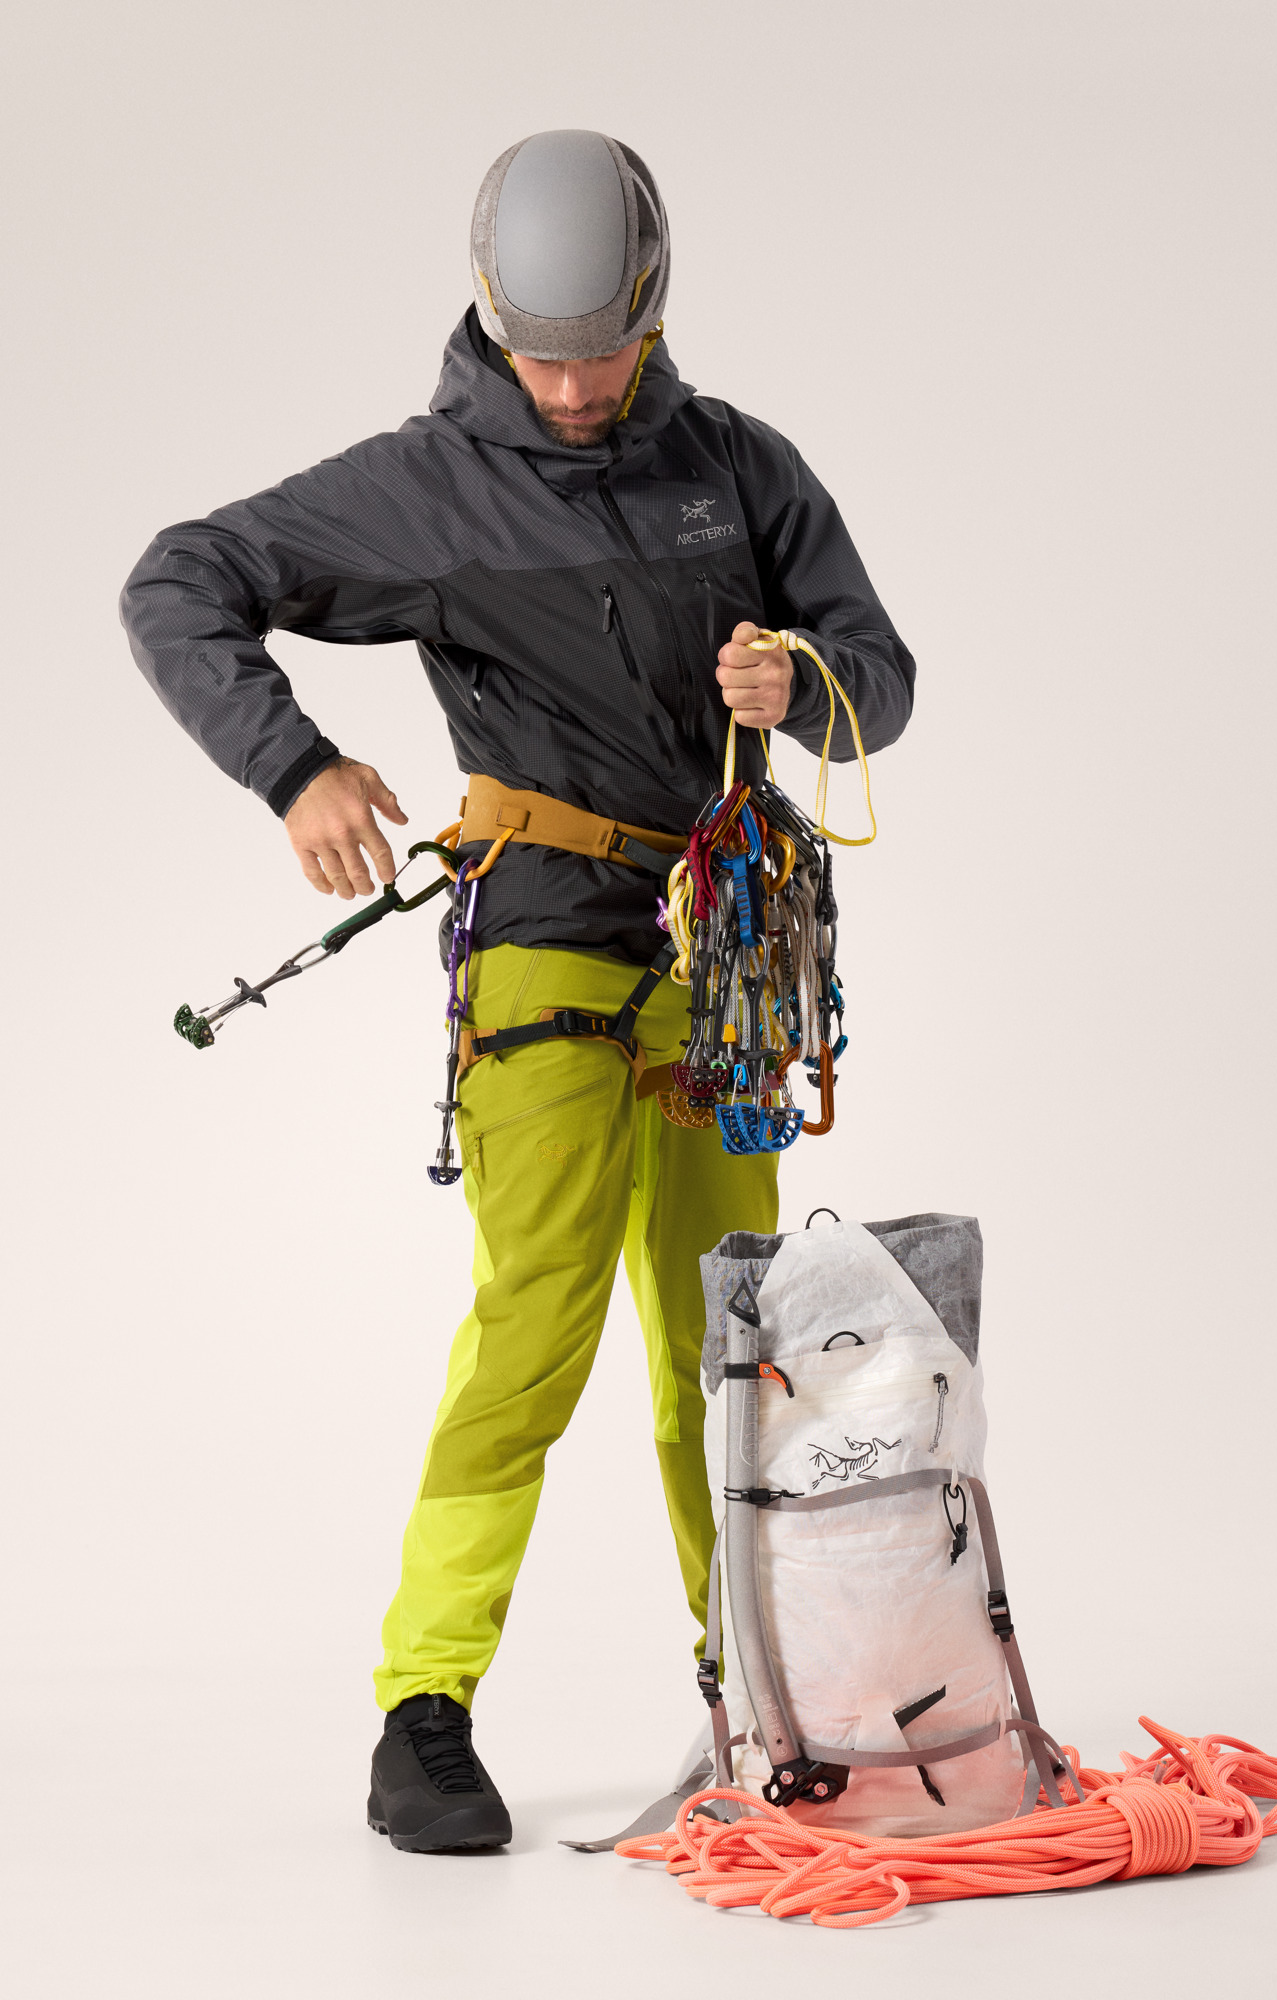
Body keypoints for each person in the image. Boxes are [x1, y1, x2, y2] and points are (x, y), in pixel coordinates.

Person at [121, 128, 915, 1852]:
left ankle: (761, 1689)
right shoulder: (424, 487)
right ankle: (424, 1709)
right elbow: (178, 579)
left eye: (599, 354)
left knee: (729, 1333)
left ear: (654, 307)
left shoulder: (738, 467)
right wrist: (293, 768)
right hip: (546, 935)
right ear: (489, 316)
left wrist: (801, 680)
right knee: (535, 1317)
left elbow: (885, 674)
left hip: (720, 956)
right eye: (539, 355)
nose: (568, 389)